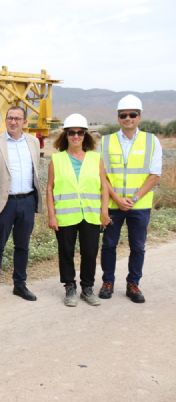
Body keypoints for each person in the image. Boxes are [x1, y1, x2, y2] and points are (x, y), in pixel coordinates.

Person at [99, 95, 162, 303]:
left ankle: (133, 284)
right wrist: (116, 198)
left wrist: (134, 198)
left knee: (138, 247)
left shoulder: (151, 141)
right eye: (123, 115)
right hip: (112, 204)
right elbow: (102, 176)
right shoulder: (106, 141)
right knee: (108, 245)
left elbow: (154, 175)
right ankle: (107, 282)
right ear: (118, 118)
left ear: (139, 116)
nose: (128, 118)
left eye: (132, 114)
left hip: (140, 205)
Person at [46, 114, 111, 307]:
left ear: (85, 135)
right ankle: (70, 287)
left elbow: (103, 187)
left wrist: (104, 212)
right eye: (71, 132)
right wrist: (51, 215)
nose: (76, 136)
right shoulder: (56, 160)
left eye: (80, 132)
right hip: (65, 215)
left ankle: (88, 288)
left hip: (91, 214)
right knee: (66, 252)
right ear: (65, 135)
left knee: (90, 252)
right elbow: (49, 188)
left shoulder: (95, 158)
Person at [0, 106, 42, 303]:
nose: (13, 122)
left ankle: (20, 285)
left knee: (22, 246)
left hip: (26, 200)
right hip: (3, 202)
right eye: (10, 118)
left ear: (24, 122)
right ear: (6, 120)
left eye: (18, 118)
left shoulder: (33, 142)